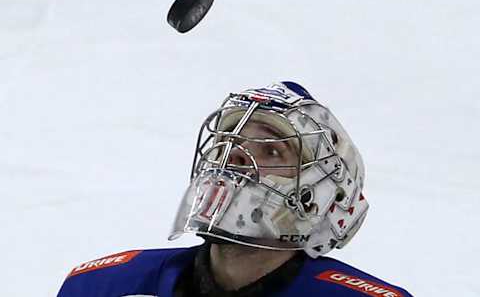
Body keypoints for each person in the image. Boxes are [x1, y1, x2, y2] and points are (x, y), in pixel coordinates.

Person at [57, 81, 413, 297]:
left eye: (272, 149)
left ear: (322, 198)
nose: (237, 158)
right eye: (228, 143)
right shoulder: (101, 288)